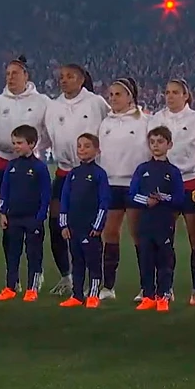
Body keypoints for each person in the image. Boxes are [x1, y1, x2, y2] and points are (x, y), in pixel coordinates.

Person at [44, 63, 109, 298]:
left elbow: (109, 129)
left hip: (90, 173)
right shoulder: (53, 106)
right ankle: (67, 277)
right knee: (57, 225)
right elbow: (46, 136)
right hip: (64, 172)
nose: (64, 80)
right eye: (61, 77)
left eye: (70, 76)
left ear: (81, 79)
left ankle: (98, 282)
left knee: (92, 229)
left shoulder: (96, 103)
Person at [148, 79, 195, 306]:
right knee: (165, 239)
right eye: (167, 92)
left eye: (175, 92)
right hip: (164, 183)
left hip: (191, 182)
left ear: (186, 95)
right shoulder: (156, 119)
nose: (170, 96)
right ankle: (166, 288)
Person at [97, 78, 149, 302]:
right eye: (111, 95)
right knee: (109, 234)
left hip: (135, 185)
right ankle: (108, 286)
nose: (113, 99)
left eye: (118, 94)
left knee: (139, 235)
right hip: (111, 183)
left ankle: (147, 287)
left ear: (130, 96)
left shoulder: (145, 122)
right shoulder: (105, 123)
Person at [130, 126, 186, 311]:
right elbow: (132, 194)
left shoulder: (173, 171)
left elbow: (180, 199)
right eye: (152, 142)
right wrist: (146, 201)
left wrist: (163, 199)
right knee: (145, 258)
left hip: (164, 221)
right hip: (145, 221)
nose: (156, 146)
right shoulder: (142, 169)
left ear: (169, 145)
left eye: (160, 142)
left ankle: (164, 295)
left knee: (165, 259)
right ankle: (148, 295)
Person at [0, 55, 51, 201]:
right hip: (3, 161)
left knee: (29, 200)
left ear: (26, 76)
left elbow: (50, 130)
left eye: (15, 73)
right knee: (3, 204)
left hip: (30, 162)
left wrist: (35, 146)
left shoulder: (42, 101)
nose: (10, 77)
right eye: (7, 74)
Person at [0, 125, 52, 302]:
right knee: (12, 254)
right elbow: (4, 191)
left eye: (20, 143)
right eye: (14, 143)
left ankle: (32, 289)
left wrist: (40, 217)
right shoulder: (11, 166)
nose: (16, 146)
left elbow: (46, 195)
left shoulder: (40, 167)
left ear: (32, 144)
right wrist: (3, 212)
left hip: (32, 219)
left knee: (33, 255)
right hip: (13, 218)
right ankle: (10, 287)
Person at [59, 133, 111, 308]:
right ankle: (77, 295)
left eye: (87, 146)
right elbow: (64, 199)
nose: (82, 149)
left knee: (93, 262)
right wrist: (64, 224)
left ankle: (93, 294)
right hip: (73, 227)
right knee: (77, 262)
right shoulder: (73, 174)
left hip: (90, 227)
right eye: (79, 146)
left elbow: (104, 202)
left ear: (97, 150)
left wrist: (97, 226)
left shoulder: (99, 174)